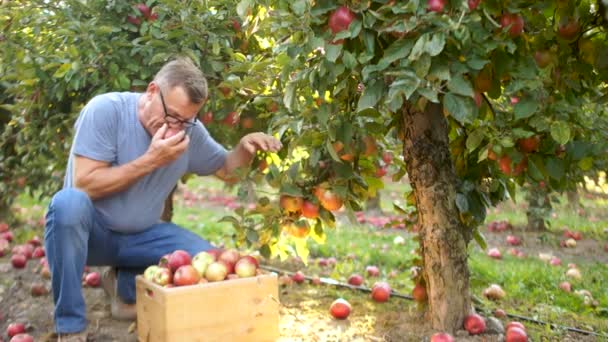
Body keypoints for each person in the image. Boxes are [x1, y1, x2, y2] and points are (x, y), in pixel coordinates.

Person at [44, 57, 282, 341]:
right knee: (67, 205)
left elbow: (228, 170)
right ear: (152, 91)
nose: (177, 126)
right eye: (173, 116)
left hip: (143, 236)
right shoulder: (107, 111)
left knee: (209, 263)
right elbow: (84, 183)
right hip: (93, 236)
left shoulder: (188, 131)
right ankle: (70, 326)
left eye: (186, 120)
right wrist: (151, 160)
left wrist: (244, 148)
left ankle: (125, 288)